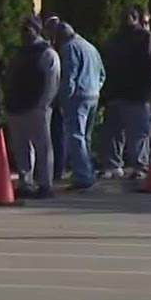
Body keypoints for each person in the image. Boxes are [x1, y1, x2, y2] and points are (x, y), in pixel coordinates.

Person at [101, 5, 151, 177]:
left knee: (117, 133)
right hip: (135, 95)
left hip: (122, 93)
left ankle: (117, 166)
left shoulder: (115, 40)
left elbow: (108, 65)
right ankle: (138, 166)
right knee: (137, 134)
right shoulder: (147, 39)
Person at [4, 17, 61, 198]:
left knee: (42, 147)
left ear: (38, 30)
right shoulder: (18, 53)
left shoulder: (47, 53)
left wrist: (43, 105)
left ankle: (45, 184)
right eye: (24, 27)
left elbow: (52, 81)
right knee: (21, 147)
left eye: (30, 28)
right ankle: (25, 181)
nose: (26, 31)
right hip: (16, 107)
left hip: (37, 108)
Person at [49, 18, 104, 189]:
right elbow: (102, 74)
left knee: (76, 136)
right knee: (85, 137)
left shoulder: (69, 48)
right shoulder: (90, 47)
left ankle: (83, 176)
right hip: (93, 95)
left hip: (78, 97)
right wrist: (96, 88)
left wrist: (62, 100)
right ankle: (87, 170)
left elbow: (69, 77)